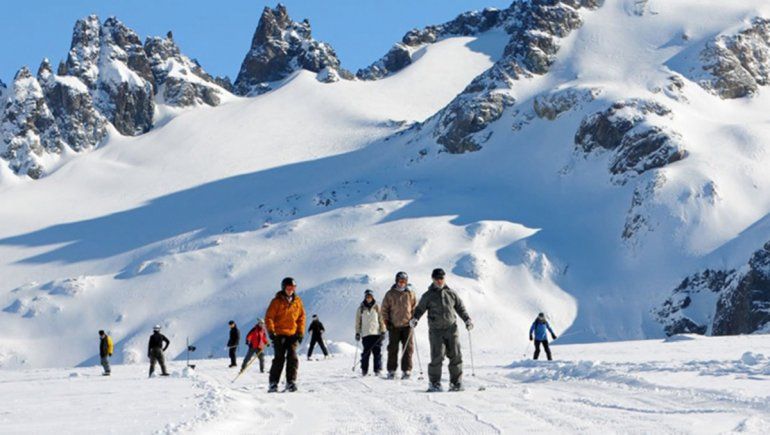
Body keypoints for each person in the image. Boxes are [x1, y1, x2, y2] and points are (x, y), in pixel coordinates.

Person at [410, 268, 473, 392]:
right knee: (437, 357)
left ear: (444, 278)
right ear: (433, 279)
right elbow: (419, 309)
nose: (439, 281)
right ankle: (434, 384)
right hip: (436, 330)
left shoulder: (451, 293)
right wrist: (415, 318)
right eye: (437, 279)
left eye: (441, 278)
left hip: (451, 329)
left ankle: (456, 383)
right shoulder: (428, 295)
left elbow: (460, 308)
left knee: (455, 356)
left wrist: (467, 320)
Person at [265, 277, 306, 392]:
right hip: (279, 334)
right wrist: (271, 331)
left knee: (292, 358)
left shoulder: (297, 301)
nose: (290, 290)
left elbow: (301, 317)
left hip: (292, 334)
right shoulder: (276, 301)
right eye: (288, 288)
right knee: (279, 358)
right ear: (284, 288)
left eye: (293, 288)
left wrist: (300, 332)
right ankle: (273, 383)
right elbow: (269, 317)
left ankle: (291, 382)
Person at [381, 271, 417, 379]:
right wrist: (387, 322)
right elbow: (384, 309)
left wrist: (414, 319)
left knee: (408, 349)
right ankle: (391, 370)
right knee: (393, 348)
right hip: (394, 326)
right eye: (400, 281)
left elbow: (415, 307)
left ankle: (406, 370)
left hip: (407, 325)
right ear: (396, 281)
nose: (401, 283)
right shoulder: (390, 294)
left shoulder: (410, 293)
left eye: (404, 281)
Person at [355, 289, 386, 376]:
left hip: (376, 334)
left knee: (377, 353)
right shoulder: (360, 309)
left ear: (372, 297)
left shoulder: (377, 307)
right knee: (366, 353)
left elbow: (381, 319)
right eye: (367, 297)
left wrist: (383, 330)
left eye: (370, 296)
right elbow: (358, 322)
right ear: (365, 297)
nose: (369, 298)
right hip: (366, 334)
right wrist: (357, 333)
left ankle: (377, 370)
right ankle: (364, 370)